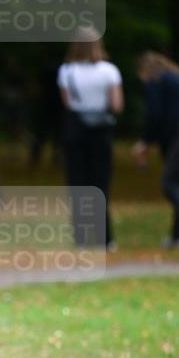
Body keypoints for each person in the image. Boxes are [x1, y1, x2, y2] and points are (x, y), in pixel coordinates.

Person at [58, 26, 124, 250]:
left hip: (76, 129)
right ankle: (105, 238)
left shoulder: (67, 70)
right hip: (101, 131)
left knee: (78, 184)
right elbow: (116, 105)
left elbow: (67, 103)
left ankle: (82, 239)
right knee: (101, 183)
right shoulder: (109, 71)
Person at [132, 52, 179, 248]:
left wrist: (144, 141)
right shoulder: (174, 77)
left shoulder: (155, 81)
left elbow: (154, 114)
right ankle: (176, 237)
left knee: (169, 183)